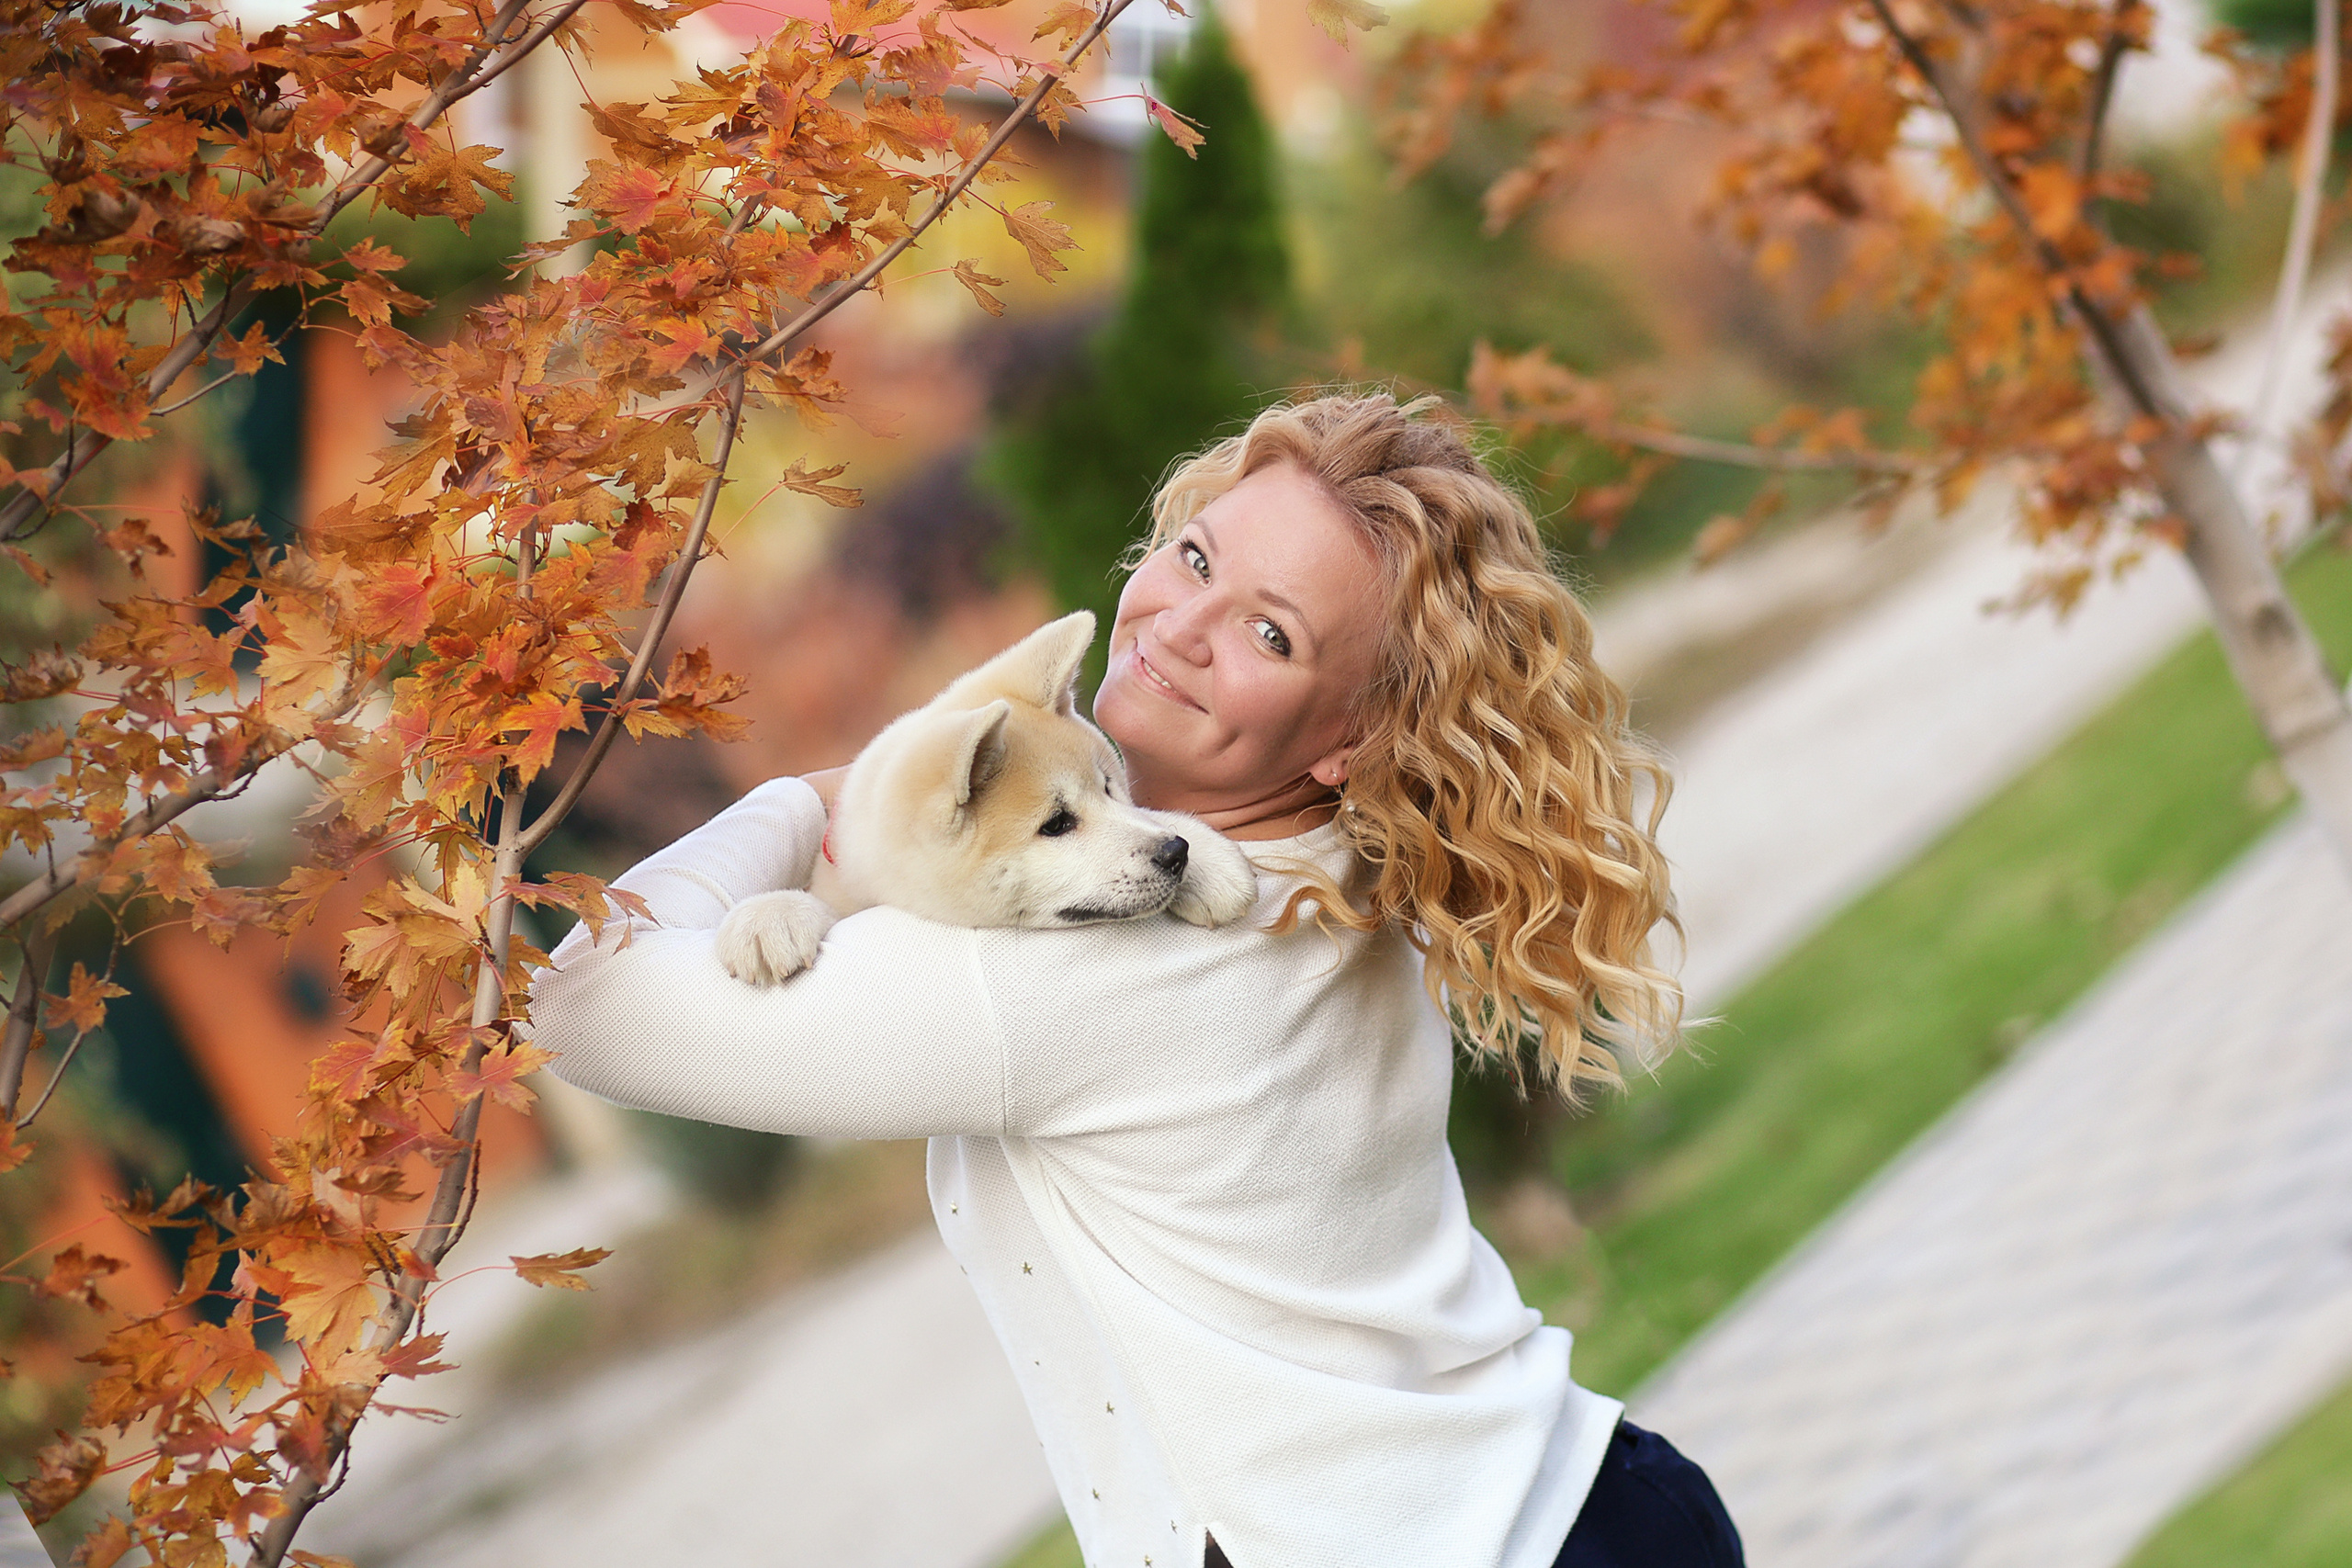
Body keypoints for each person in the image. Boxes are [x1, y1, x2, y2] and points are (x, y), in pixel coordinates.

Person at [528, 392, 1744, 1568]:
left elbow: (586, 1003)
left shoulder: (1089, 971)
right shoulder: (1320, 868)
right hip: (1581, 1501)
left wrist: (810, 802)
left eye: (1272, 634)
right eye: (1196, 557)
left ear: (1352, 742)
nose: (1177, 627)